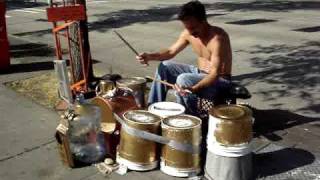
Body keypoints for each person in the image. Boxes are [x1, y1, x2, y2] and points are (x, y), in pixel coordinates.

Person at [136, 0, 232, 116]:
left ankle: (190, 120)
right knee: (165, 66)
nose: (190, 32)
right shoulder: (188, 33)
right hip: (199, 74)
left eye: (193, 28)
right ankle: (153, 110)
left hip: (220, 82)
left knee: (183, 79)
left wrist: (193, 88)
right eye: (187, 28)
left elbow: (214, 74)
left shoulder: (217, 38)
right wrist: (149, 56)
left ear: (203, 21)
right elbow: (170, 52)